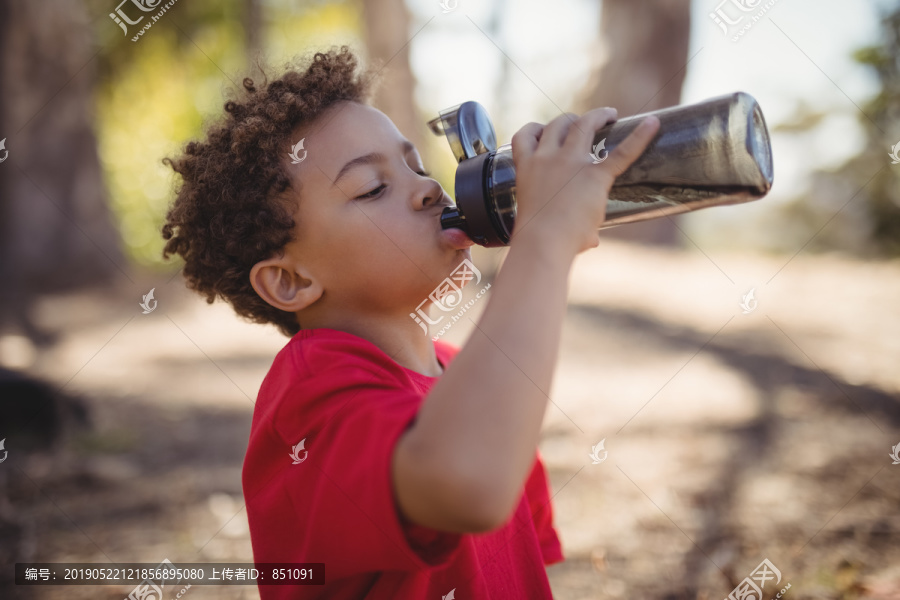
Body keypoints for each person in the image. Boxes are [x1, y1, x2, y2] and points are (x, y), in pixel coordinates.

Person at [161, 45, 659, 599]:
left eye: (417, 166)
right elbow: (469, 482)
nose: (428, 188)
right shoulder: (309, 394)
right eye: (373, 188)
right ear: (290, 281)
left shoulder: (467, 379)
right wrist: (544, 238)